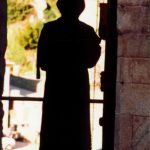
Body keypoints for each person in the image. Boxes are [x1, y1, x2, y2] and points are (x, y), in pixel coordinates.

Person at [37, 0, 101, 149]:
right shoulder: (87, 31)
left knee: (53, 129)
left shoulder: (49, 29)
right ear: (80, 9)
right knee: (77, 130)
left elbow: (43, 63)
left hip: (55, 87)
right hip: (77, 87)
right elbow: (91, 61)